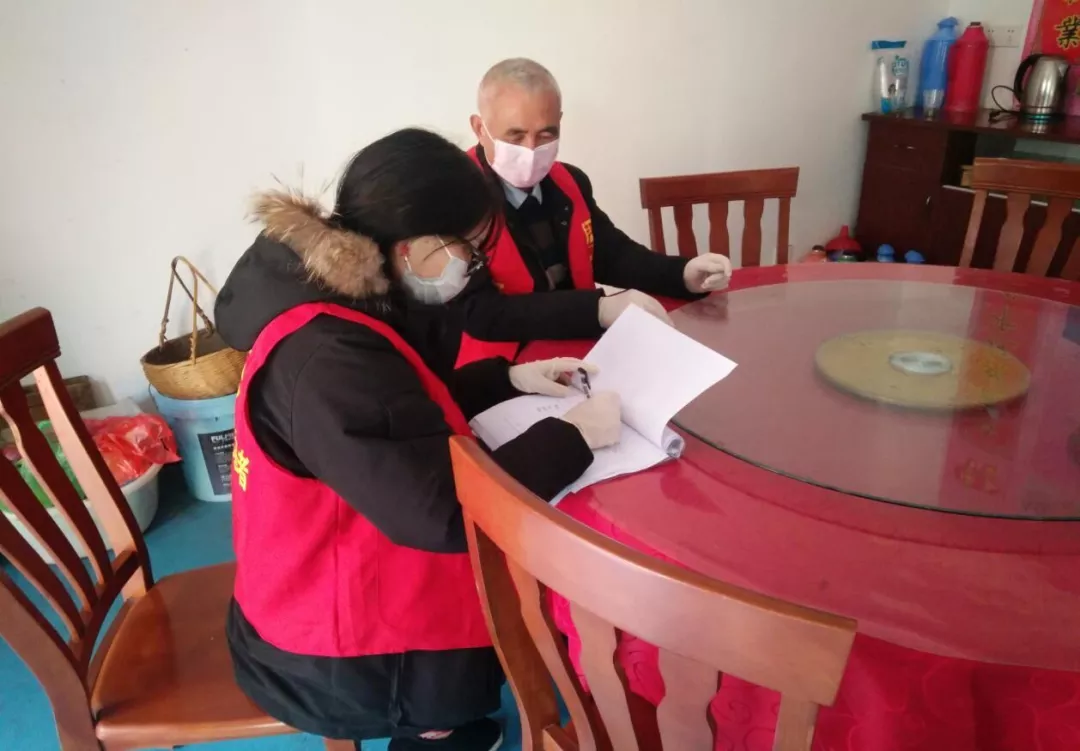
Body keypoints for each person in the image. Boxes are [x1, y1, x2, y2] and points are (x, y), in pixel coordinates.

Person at [216, 128, 623, 751]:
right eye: (467, 248)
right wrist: (572, 438)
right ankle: (432, 729)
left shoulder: (339, 295)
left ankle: (446, 717)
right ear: (413, 246)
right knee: (511, 579)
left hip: (317, 574)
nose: (474, 266)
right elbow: (443, 513)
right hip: (332, 655)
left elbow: (397, 408)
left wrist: (504, 379)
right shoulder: (328, 357)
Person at [451, 57, 733, 365]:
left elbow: (612, 254)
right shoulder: (454, 198)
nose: (531, 149)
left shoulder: (570, 182)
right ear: (480, 128)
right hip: (501, 366)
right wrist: (598, 308)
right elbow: (479, 311)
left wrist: (681, 274)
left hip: (579, 349)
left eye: (546, 134)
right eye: (515, 136)